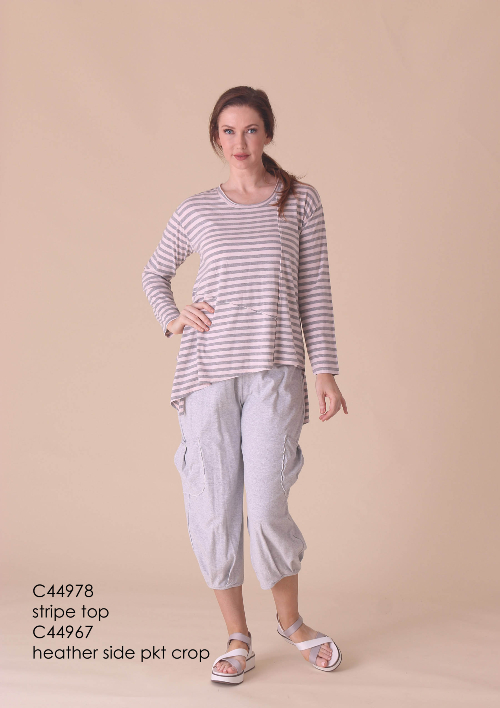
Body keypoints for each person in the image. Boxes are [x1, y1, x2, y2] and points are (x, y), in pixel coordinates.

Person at [142, 86, 348, 685]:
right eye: (228, 131)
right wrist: (174, 317)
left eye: (251, 129)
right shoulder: (197, 210)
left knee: (266, 502)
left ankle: (292, 622)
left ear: (268, 134)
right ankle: (237, 637)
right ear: (216, 138)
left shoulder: (299, 201)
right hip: (205, 374)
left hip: (274, 373)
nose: (240, 142)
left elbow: (316, 290)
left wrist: (325, 370)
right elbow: (155, 273)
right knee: (214, 508)